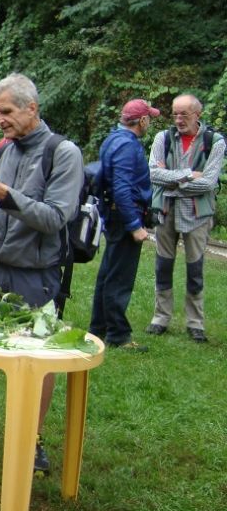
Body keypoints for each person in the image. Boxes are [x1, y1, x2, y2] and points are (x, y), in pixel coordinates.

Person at [0, 73, 84, 476]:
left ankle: (32, 438)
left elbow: (55, 218)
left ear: (32, 108)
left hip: (35, 275)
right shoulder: (4, 151)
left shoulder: (63, 153)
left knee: (35, 357)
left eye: (6, 111)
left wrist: (6, 195)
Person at [147, 94, 224, 343]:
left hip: (198, 214)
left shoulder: (215, 141)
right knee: (163, 266)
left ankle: (195, 323)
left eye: (184, 114)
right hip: (166, 210)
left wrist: (172, 183)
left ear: (197, 115)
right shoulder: (162, 138)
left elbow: (209, 182)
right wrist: (189, 175)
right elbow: (153, 173)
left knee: (195, 269)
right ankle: (160, 318)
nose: (179, 119)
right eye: (175, 114)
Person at [88, 99, 159, 351]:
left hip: (115, 214)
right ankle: (118, 335)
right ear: (142, 120)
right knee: (119, 278)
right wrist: (134, 225)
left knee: (108, 273)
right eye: (149, 119)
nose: (149, 123)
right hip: (124, 216)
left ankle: (98, 329)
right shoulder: (127, 145)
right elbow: (121, 188)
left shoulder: (113, 139)